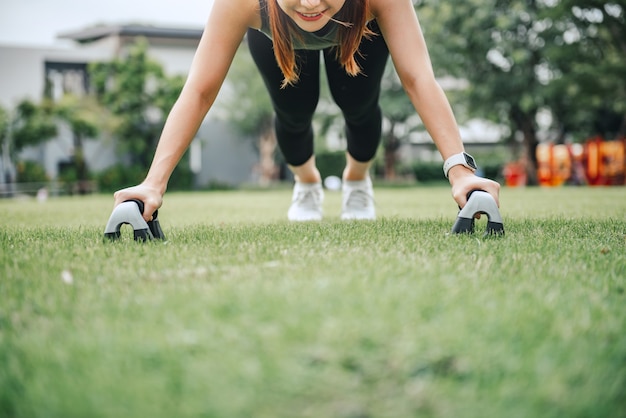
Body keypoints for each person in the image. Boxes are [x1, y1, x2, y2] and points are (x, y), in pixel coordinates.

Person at [113, 0, 500, 221]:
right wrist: (153, 182)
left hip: (357, 25)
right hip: (276, 33)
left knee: (359, 105)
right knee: (294, 111)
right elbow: (199, 90)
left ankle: (356, 182)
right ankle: (309, 184)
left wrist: (460, 172)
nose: (311, 3)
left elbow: (418, 78)